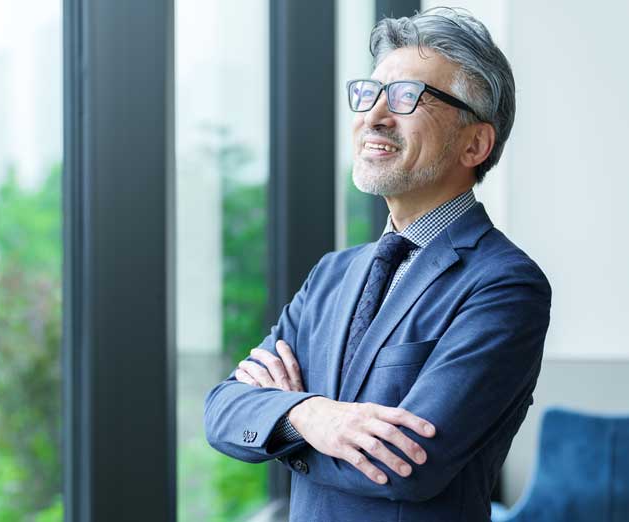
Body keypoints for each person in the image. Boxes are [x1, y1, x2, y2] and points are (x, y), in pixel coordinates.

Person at [203, 7, 551, 522]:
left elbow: (406, 465)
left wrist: (280, 421)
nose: (373, 116)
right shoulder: (331, 275)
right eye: (369, 93)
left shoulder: (504, 284)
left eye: (408, 97)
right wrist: (310, 413)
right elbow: (222, 411)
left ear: (475, 143)